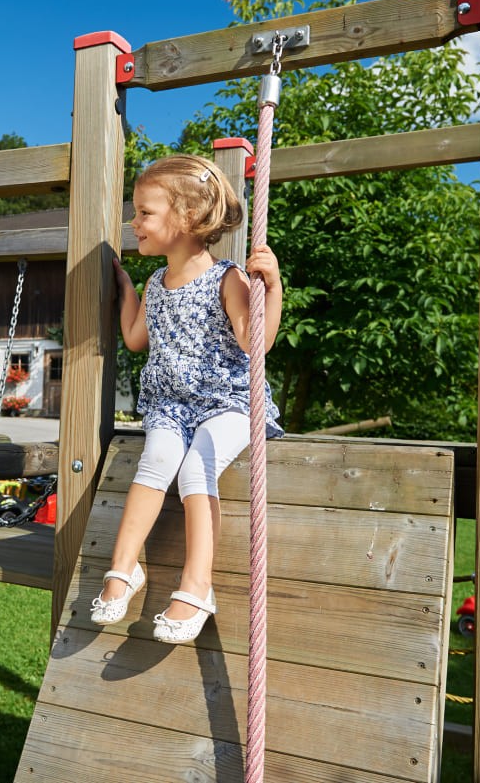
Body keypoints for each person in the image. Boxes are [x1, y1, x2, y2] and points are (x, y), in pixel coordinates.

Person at [90, 154, 284, 644]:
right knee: (155, 460)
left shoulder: (229, 278)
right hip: (172, 406)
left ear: (189, 218)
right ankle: (123, 567)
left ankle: (198, 584)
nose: (135, 223)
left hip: (228, 401)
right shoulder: (156, 284)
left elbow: (255, 343)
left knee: (197, 468)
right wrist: (126, 288)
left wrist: (273, 287)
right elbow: (136, 337)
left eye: (145, 213)